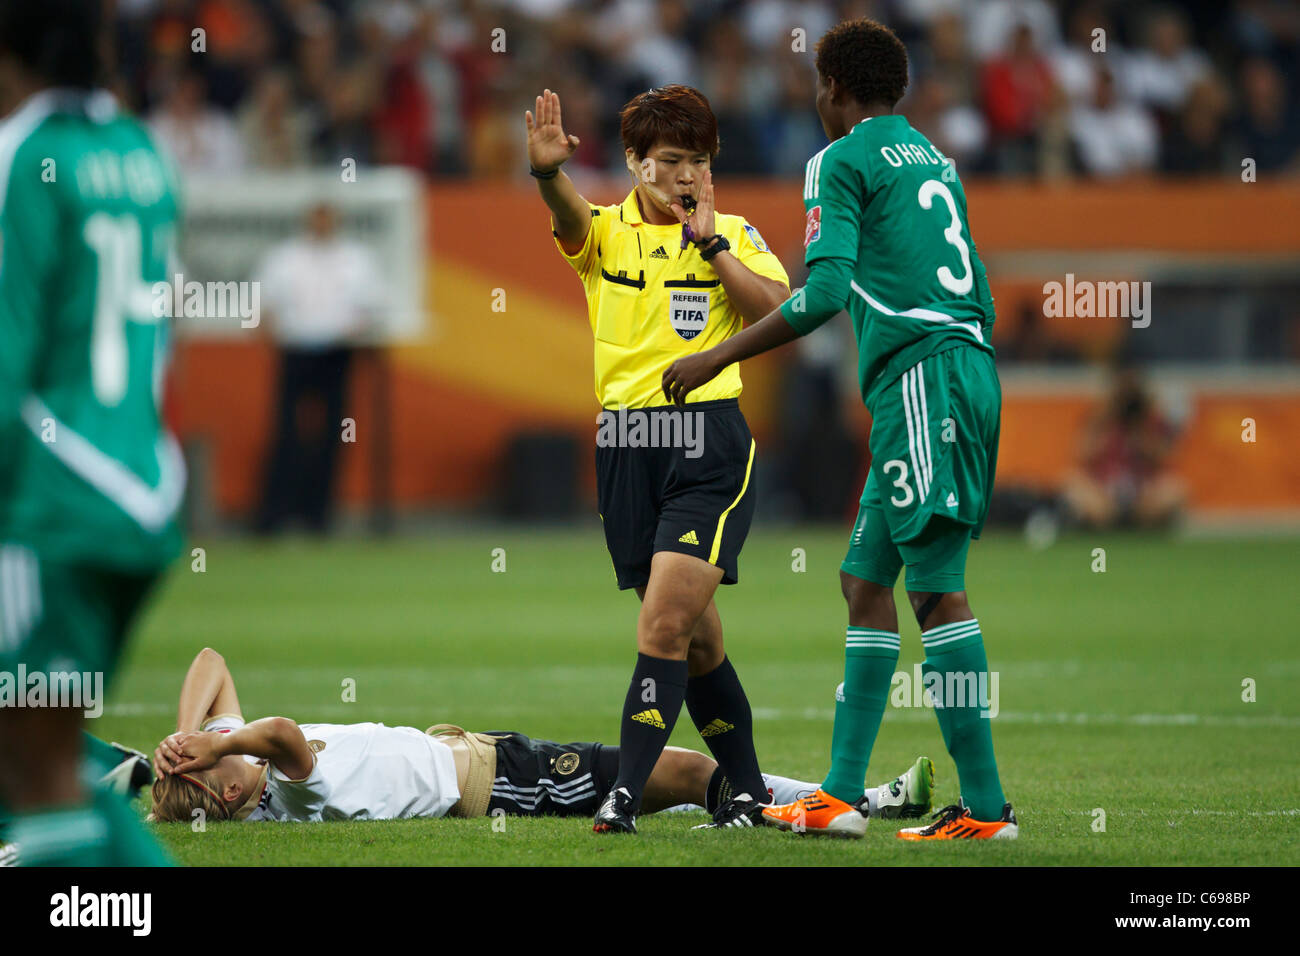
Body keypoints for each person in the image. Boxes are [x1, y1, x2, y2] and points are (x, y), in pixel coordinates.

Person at [663, 19, 1018, 840]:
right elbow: (978, 285)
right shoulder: (932, 156)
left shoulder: (840, 159)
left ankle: (989, 810)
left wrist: (716, 356)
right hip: (951, 371)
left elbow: (822, 297)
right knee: (865, 581)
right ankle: (841, 795)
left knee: (934, 591)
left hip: (925, 380)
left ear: (832, 89)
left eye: (817, 86)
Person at [525, 86, 792, 833]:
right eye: (670, 160)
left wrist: (710, 245)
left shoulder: (731, 231)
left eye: (698, 161)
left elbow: (779, 308)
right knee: (697, 636)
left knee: (663, 625)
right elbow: (570, 216)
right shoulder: (606, 235)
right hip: (626, 447)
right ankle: (745, 792)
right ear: (636, 163)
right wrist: (549, 175)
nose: (684, 175)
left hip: (707, 442)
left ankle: (623, 794)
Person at [0, 0, 185, 866]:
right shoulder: (140, 155)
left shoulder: (23, 156)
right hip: (141, 490)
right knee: (57, 769)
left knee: (33, 787)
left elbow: (10, 353)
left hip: (51, 499)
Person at [148, 648, 935, 826]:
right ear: (229, 788)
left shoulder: (235, 775)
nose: (228, 743)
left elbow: (211, 661)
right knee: (690, 772)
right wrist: (216, 746)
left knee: (684, 775)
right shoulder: (283, 779)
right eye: (223, 759)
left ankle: (845, 798)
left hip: (485, 754)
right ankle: (849, 802)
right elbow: (280, 733)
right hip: (499, 782)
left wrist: (192, 738)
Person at [254, 202, 384, 534]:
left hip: (337, 355)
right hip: (296, 350)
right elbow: (265, 306)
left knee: (333, 436)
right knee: (287, 434)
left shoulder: (354, 260)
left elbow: (372, 308)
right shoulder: (287, 258)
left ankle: (319, 516)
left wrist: (359, 326)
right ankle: (274, 516)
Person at [1062, 361, 1184, 529]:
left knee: (1174, 490)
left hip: (1141, 493)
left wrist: (1140, 426)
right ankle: (1111, 520)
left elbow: (1163, 456)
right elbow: (1082, 454)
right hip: (1105, 491)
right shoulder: (1100, 418)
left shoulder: (1149, 420)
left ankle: (1138, 522)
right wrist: (1108, 415)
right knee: (1072, 481)